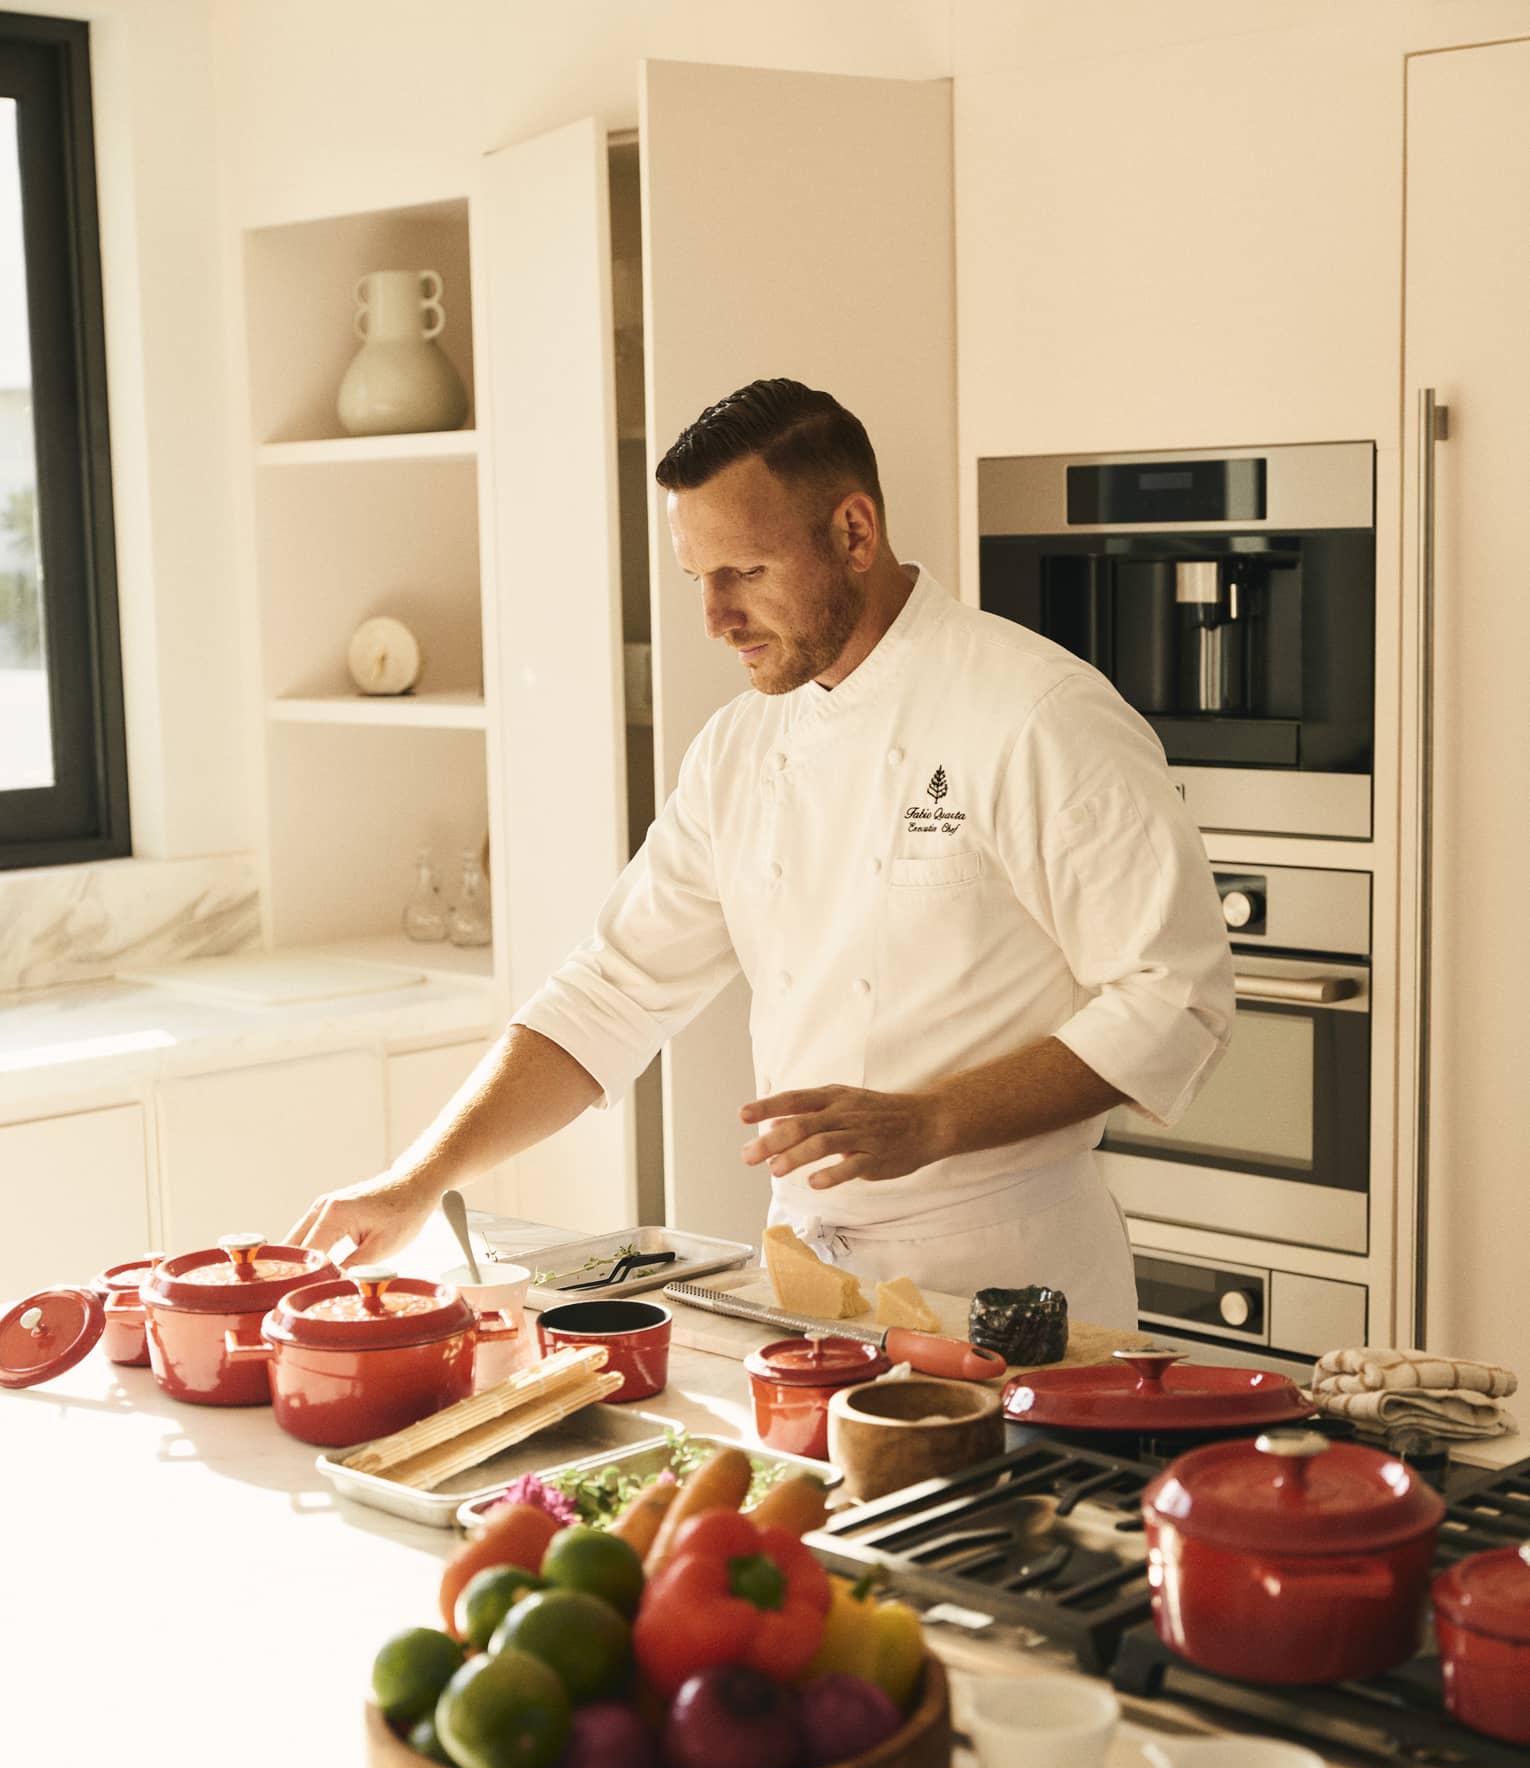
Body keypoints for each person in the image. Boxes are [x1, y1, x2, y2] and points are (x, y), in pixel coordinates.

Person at [287, 379, 1234, 1329]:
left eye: (743, 571)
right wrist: (417, 1181)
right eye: (696, 577)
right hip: (807, 1282)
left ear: (854, 533)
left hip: (1011, 1277)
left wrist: (930, 1119)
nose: (715, 618)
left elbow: (1175, 996)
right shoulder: (739, 749)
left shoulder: (1038, 713)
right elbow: (610, 992)